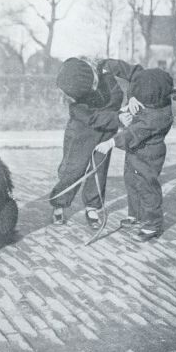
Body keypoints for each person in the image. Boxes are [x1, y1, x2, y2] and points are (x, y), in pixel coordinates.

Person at [95, 59, 176, 242]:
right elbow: (135, 81)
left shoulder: (157, 117)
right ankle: (136, 215)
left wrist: (110, 143)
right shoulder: (154, 95)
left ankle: (152, 224)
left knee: (148, 188)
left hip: (149, 157)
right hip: (135, 155)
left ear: (151, 98)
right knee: (132, 183)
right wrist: (131, 101)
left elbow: (133, 133)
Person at [50, 57, 132, 226]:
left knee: (98, 169)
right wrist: (116, 117)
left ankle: (92, 206)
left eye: (95, 82)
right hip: (81, 131)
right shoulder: (74, 97)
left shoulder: (105, 74)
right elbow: (92, 118)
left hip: (105, 130)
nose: (95, 87)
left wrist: (121, 111)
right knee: (73, 169)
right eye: (90, 89)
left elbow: (117, 96)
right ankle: (59, 203)